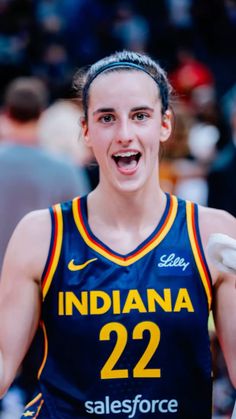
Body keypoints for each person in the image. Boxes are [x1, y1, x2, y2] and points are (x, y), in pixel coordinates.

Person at [0, 50, 235, 419]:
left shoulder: (213, 233)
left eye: (140, 116)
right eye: (107, 118)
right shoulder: (40, 234)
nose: (125, 134)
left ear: (165, 125)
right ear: (86, 131)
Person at [0, 77, 90, 415]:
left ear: (7, 112)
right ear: (41, 114)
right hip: (47, 297)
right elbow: (82, 238)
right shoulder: (66, 170)